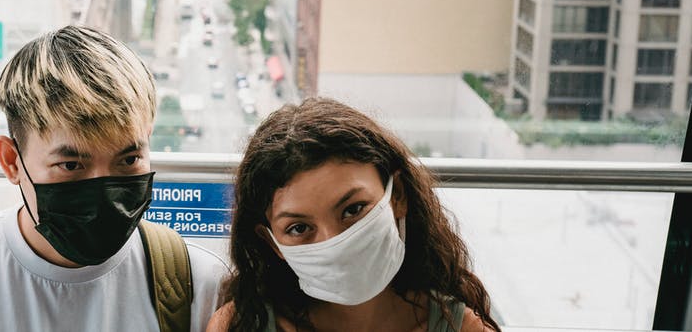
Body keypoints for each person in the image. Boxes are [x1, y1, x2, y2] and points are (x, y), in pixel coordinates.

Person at [0, 25, 227, 331]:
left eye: (128, 159)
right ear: (11, 162)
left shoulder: (200, 285)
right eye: (71, 165)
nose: (104, 190)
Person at [207, 98, 499, 332]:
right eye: (298, 228)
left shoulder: (461, 327)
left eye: (353, 210)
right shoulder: (238, 326)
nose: (335, 242)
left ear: (397, 195)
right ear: (272, 243)